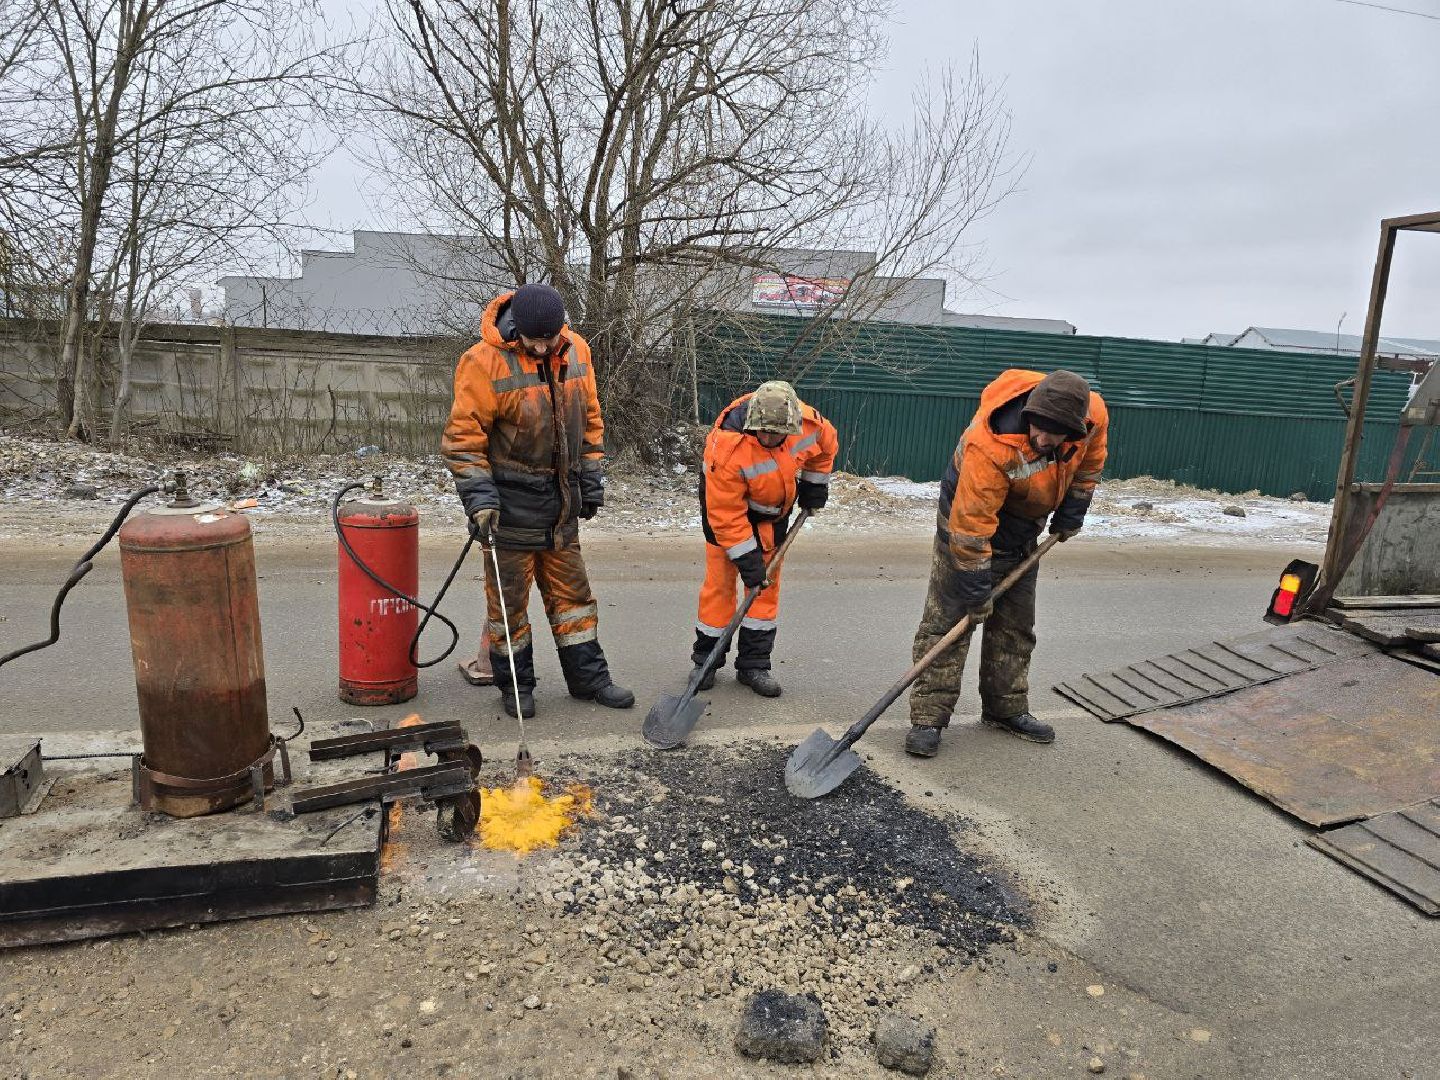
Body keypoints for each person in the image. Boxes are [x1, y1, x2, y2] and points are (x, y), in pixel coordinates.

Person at [441, 283, 633, 718]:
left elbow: (590, 419)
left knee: (574, 602)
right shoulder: (481, 362)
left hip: (560, 508)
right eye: (535, 340)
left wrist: (591, 476)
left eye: (550, 338)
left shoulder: (576, 350)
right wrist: (480, 499)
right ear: (516, 332)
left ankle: (590, 681)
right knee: (509, 609)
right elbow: (463, 441)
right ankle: (516, 687)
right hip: (508, 511)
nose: (544, 346)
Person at [906, 368, 1108, 757]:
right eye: (1040, 428)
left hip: (1023, 527)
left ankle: (1005, 708)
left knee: (1016, 625)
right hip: (966, 525)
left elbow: (1090, 460)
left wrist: (1076, 505)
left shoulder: (1092, 414)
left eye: (1057, 432)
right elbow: (972, 528)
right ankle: (928, 718)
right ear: (1030, 413)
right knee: (949, 623)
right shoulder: (992, 445)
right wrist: (976, 587)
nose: (1045, 439)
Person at [692, 380, 838, 696]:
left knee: (764, 592)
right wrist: (747, 560)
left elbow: (826, 448)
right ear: (752, 423)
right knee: (720, 586)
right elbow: (727, 516)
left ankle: (754, 665)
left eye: (777, 434)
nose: (770, 438)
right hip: (724, 516)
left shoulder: (808, 423)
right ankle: (706, 662)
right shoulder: (728, 448)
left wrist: (815, 485)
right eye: (764, 433)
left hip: (773, 514)